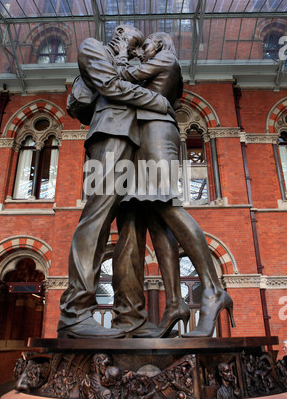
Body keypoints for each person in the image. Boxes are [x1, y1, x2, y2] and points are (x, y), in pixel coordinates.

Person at [112, 32, 235, 338]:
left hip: (156, 134)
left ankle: (212, 290)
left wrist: (123, 53)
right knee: (156, 216)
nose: (144, 48)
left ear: (162, 44)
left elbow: (122, 78)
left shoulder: (166, 58)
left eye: (148, 43)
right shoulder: (159, 64)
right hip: (146, 135)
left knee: (168, 205)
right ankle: (175, 304)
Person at [57, 25, 175, 339]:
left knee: (133, 230)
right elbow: (110, 85)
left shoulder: (131, 62)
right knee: (96, 218)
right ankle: (74, 313)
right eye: (134, 44)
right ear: (120, 33)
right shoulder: (93, 47)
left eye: (140, 49)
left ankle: (131, 317)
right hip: (110, 135)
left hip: (138, 142)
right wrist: (156, 102)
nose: (136, 52)